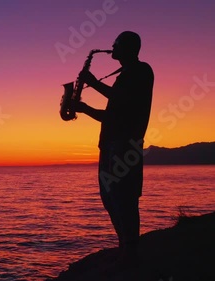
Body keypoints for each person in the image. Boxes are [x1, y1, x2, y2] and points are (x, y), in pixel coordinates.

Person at [74, 31, 154, 265]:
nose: (111, 47)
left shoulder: (141, 71)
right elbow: (112, 114)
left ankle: (130, 253)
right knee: (110, 198)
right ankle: (125, 248)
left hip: (125, 143)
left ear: (128, 47)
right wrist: (85, 108)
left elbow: (121, 102)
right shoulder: (126, 75)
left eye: (116, 44)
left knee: (124, 198)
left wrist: (92, 83)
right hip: (110, 143)